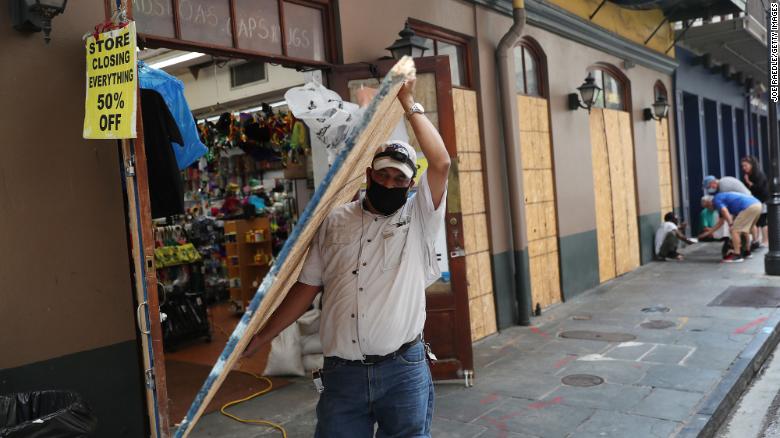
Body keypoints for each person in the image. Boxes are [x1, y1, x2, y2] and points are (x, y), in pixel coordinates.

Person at [243, 79, 450, 437]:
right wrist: (263, 336)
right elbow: (306, 288)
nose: (388, 184)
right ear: (369, 174)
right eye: (382, 175)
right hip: (342, 374)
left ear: (410, 185)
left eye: (398, 180)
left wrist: (408, 100)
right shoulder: (335, 220)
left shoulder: (417, 218)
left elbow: (442, 161)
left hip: (403, 369)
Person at [699, 192, 762, 262]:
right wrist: (708, 233)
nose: (709, 209)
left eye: (707, 206)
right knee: (744, 230)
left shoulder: (716, 200)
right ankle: (747, 252)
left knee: (734, 230)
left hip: (748, 206)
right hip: (757, 204)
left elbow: (724, 210)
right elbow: (721, 222)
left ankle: (737, 255)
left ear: (710, 202)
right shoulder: (721, 201)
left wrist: (731, 224)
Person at [741, 156, 769, 248]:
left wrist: (749, 182)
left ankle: (766, 241)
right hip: (753, 201)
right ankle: (757, 239)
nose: (744, 168)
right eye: (743, 166)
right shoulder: (747, 176)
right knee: (755, 221)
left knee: (762, 220)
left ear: (752, 165)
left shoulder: (759, 175)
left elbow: (759, 188)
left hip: (762, 200)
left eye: (746, 165)